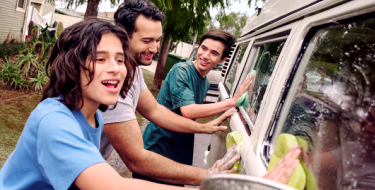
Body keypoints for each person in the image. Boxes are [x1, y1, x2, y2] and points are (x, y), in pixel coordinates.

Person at [100, 0, 299, 187]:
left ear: (223, 59)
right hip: (129, 156)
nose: (154, 48)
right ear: (122, 36)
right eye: (147, 40)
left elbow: (155, 111)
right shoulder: (111, 79)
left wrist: (204, 128)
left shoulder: (133, 71)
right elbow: (137, 159)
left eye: (158, 40)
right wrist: (208, 176)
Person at [0, 18, 193, 190]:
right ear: (71, 66)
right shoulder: (53, 121)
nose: (115, 68)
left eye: (120, 59)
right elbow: (114, 186)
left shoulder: (95, 117)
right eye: (100, 59)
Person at [137, 29, 253, 185]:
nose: (205, 56)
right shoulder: (181, 71)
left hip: (180, 149)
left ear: (223, 59)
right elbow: (188, 110)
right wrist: (231, 102)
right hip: (159, 147)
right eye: (203, 48)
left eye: (213, 53)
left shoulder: (205, 83)